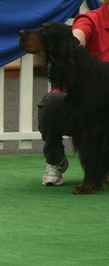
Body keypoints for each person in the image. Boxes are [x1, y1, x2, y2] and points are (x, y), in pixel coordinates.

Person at [38, 0, 109, 186]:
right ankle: (55, 162)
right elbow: (78, 35)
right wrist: (74, 41)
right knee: (52, 103)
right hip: (84, 99)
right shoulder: (91, 19)